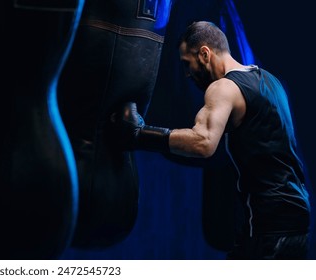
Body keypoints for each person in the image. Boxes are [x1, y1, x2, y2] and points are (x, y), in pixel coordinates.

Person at [108, 21, 311, 259]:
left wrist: (139, 135)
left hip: (268, 223)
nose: (187, 74)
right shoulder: (271, 82)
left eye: (187, 63)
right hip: (296, 219)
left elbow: (203, 143)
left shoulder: (224, 87)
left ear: (204, 53)